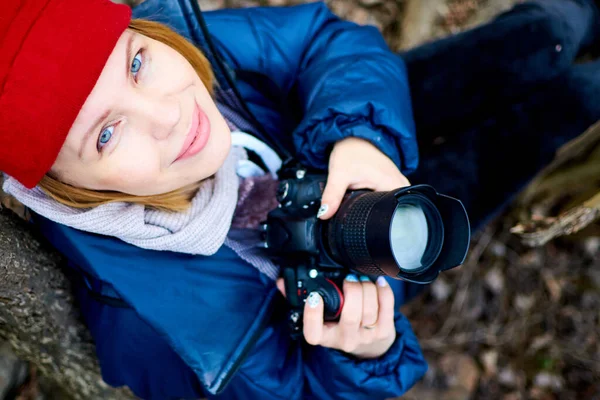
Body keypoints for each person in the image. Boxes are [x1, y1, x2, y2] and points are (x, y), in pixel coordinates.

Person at [1, 0, 599, 398]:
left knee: (550, 29)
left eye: (136, 63)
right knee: (571, 104)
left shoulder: (189, 39)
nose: (168, 114)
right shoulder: (154, 329)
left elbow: (320, 40)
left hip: (361, 115)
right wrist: (367, 354)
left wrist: (359, 135)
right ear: (64, 190)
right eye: (106, 133)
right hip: (376, 256)